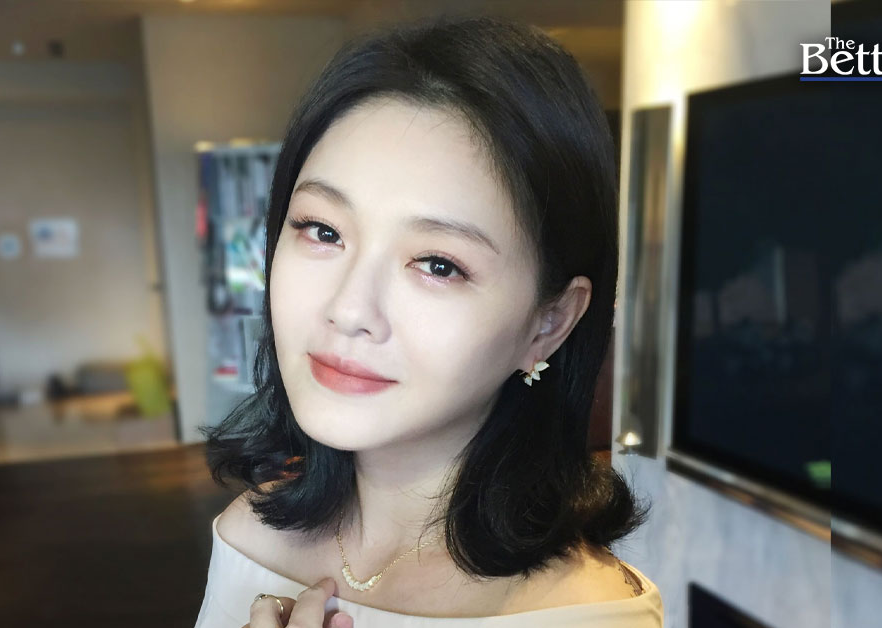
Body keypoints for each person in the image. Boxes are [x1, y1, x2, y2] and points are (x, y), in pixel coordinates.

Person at [196, 15, 662, 628]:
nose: (348, 309)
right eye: (323, 230)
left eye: (438, 264)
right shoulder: (246, 535)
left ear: (548, 323)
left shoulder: (589, 616)